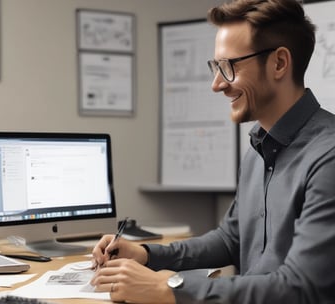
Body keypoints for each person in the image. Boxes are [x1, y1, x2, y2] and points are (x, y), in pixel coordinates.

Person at [91, 0, 335, 303]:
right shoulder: (259, 149)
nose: (217, 84)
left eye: (229, 66)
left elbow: (301, 288)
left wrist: (167, 289)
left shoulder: (328, 158)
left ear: (279, 63)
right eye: (216, 67)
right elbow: (230, 239)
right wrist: (146, 254)